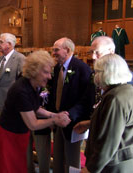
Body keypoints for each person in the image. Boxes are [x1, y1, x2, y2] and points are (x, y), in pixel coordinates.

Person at [0, 50, 71, 173]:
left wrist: (54, 114)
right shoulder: (21, 89)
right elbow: (32, 124)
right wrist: (55, 120)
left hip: (19, 133)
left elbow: (35, 108)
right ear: (34, 71)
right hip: (7, 135)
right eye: (46, 72)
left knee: (19, 167)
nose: (49, 76)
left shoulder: (34, 85)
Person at [47, 37, 94, 173]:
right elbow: (54, 93)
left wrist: (69, 115)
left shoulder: (82, 68)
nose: (53, 53)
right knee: (58, 157)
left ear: (66, 50)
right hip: (57, 120)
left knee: (72, 160)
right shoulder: (57, 69)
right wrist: (52, 116)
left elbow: (87, 99)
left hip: (73, 123)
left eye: (56, 50)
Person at [81, 53, 133, 173]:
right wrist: (89, 123)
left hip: (112, 165)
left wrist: (91, 168)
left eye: (97, 72)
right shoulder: (127, 90)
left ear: (105, 73)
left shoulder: (115, 98)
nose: (95, 76)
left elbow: (109, 140)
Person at [0, 33, 25, 113]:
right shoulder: (0, 59)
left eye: (1, 42)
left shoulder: (20, 58)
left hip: (13, 104)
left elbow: (23, 83)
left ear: (9, 44)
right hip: (1, 102)